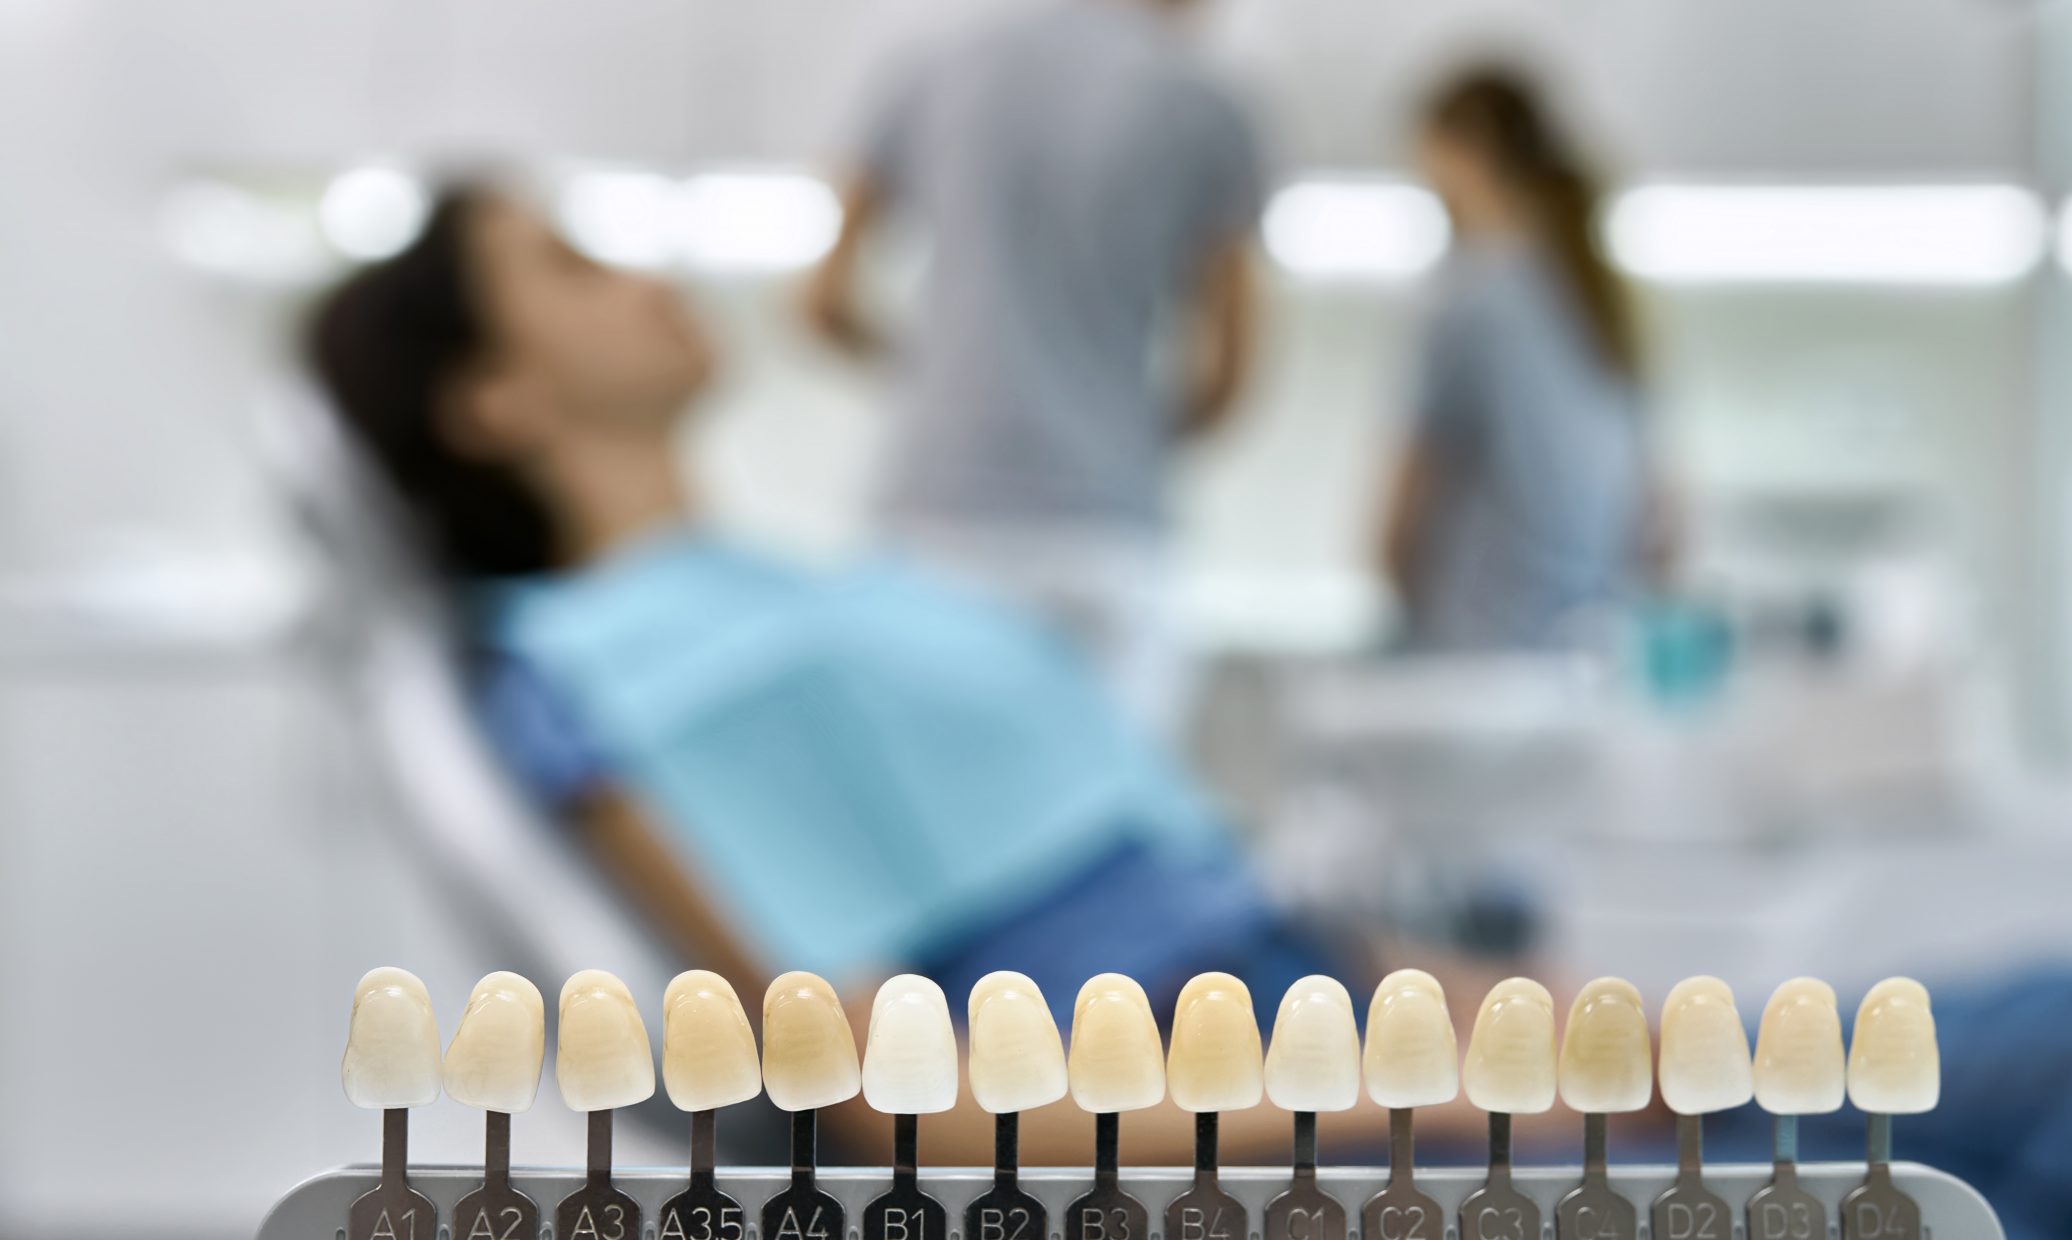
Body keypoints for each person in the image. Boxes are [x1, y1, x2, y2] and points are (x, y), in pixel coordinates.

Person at [306, 185, 1502, 1165]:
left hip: (1321, 1023)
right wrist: (1447, 1103)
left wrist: (1520, 1028)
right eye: (574, 267)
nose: (650, 277)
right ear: (490, 401)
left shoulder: (790, 597)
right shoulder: (614, 667)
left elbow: (1227, 907)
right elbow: (902, 1097)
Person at [804, 0, 1266, 733]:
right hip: (1103, 533)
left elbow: (821, 302)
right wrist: (1126, 431)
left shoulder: (929, 71)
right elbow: (1234, 369)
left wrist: (934, 376)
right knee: (1109, 818)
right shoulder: (1206, 105)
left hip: (933, 517)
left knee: (932, 806)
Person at [1380, 68, 1668, 655]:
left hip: (1475, 661)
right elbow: (1663, 530)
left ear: (1467, 149)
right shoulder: (1603, 297)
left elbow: (1397, 526)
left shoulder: (1467, 300)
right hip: (1587, 662)